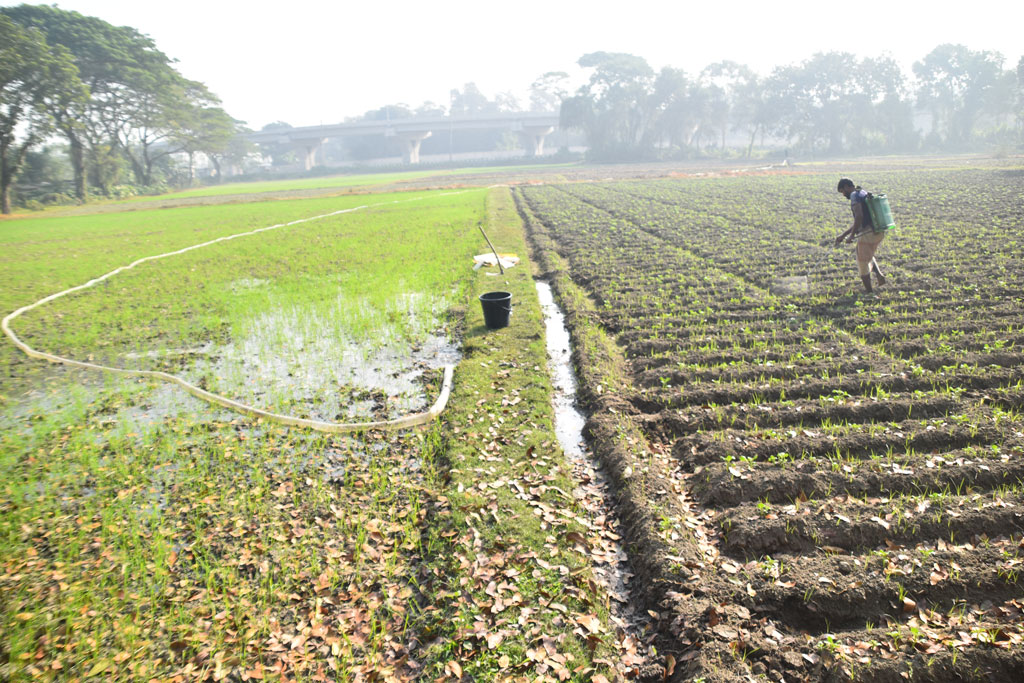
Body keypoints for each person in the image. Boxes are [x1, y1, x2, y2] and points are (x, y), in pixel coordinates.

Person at [835, 178, 886, 293]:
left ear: (848, 187)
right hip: (877, 231)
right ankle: (879, 275)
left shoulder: (854, 196)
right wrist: (843, 235)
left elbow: (859, 217)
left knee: (862, 263)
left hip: (868, 233)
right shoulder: (862, 192)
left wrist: (852, 236)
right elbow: (859, 221)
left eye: (843, 191)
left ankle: (870, 293)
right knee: (867, 253)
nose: (843, 194)